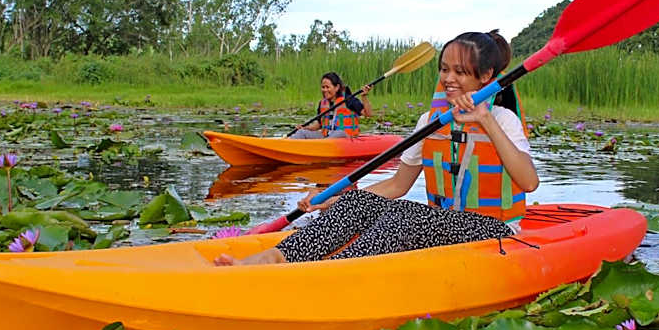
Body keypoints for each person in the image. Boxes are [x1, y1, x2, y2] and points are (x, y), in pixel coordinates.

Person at [216, 31, 538, 265]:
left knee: (402, 216)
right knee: (359, 201)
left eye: (460, 72)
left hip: (493, 228)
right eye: (444, 69)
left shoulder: (502, 118)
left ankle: (336, 269)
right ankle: (276, 257)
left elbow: (529, 182)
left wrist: (485, 121)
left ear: (485, 77)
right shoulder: (430, 120)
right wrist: (336, 199)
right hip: (444, 222)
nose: (448, 79)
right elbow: (398, 184)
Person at [289, 72, 373, 138]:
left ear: (336, 87)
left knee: (339, 133)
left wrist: (364, 96)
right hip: (327, 137)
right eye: (323, 87)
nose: (325, 90)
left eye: (327, 87)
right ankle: (288, 145)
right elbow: (319, 124)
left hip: (346, 138)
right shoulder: (322, 103)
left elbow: (368, 114)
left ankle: (321, 148)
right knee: (302, 132)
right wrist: (305, 128)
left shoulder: (349, 100)